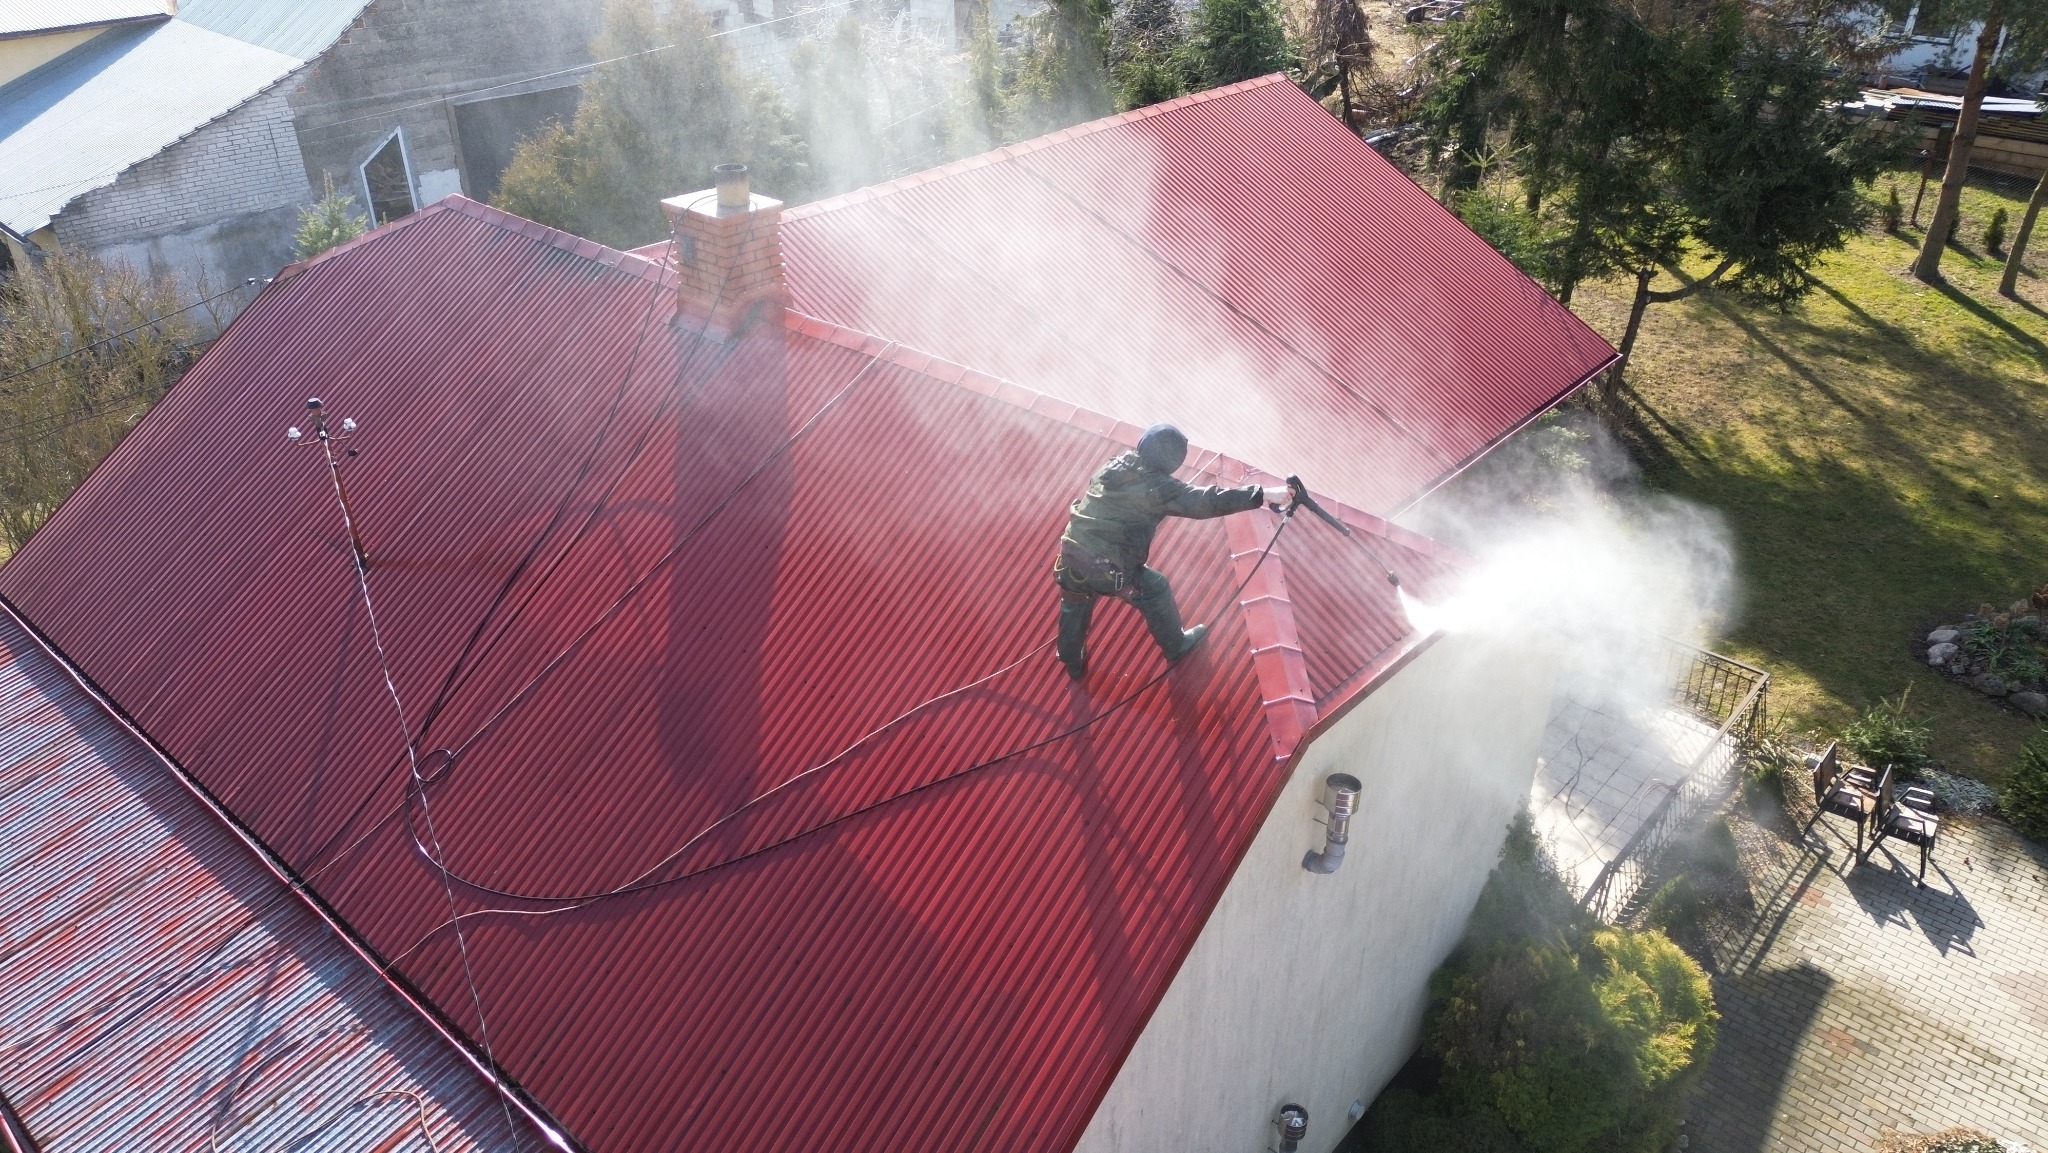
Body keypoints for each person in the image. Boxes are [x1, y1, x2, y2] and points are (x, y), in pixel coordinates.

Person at [1053, 423, 1266, 679]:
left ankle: (1070, 657)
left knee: (1075, 601)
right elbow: (1207, 502)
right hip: (1107, 570)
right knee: (1156, 589)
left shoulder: (1115, 464)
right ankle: (1176, 646)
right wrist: (1261, 494)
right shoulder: (1159, 488)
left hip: (1070, 554)